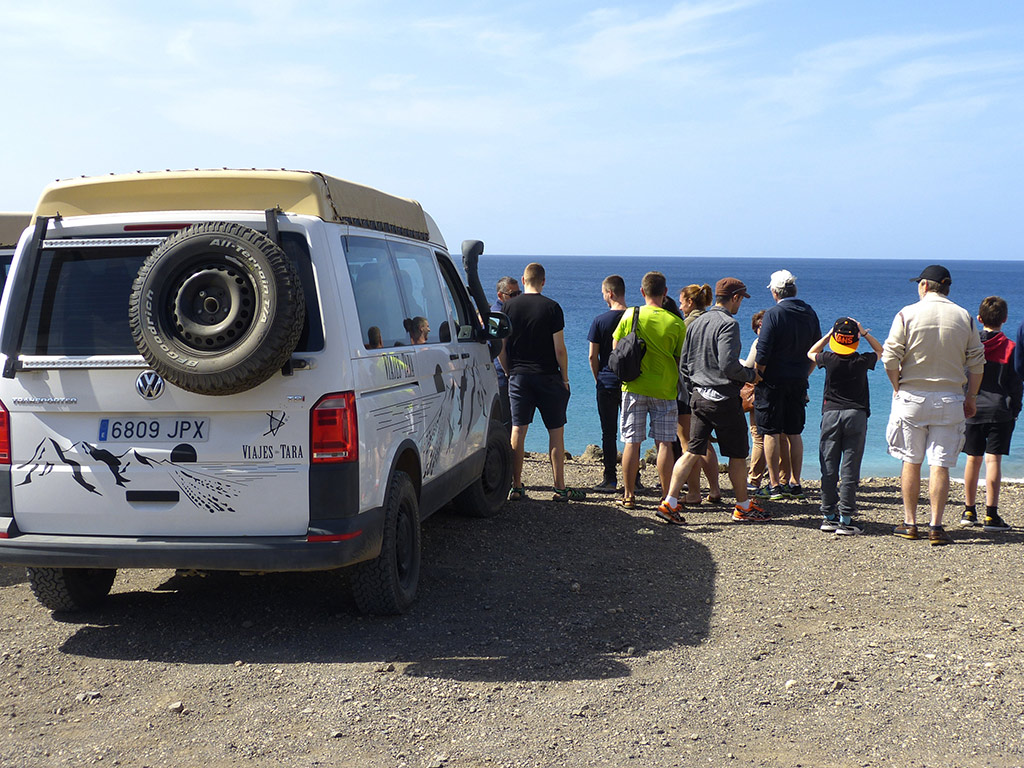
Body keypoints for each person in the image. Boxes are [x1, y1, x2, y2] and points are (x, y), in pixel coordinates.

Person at [882, 265, 985, 545]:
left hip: (912, 396)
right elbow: (977, 362)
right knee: (940, 464)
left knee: (911, 460)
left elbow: (890, 357)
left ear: (925, 285)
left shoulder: (907, 314)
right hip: (950, 397)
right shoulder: (964, 317)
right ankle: (936, 526)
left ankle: (910, 523)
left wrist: (896, 385)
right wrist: (971, 397)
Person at [659, 278, 765, 525]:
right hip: (724, 398)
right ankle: (742, 506)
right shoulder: (728, 324)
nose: (740, 304)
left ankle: (669, 502)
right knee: (738, 454)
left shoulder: (696, 322)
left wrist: (693, 390)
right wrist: (751, 376)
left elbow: (684, 364)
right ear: (735, 297)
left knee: (692, 450)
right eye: (741, 299)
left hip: (698, 397)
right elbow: (728, 365)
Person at [498, 263, 585, 503]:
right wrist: (565, 378)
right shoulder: (552, 307)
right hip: (548, 376)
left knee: (518, 430)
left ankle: (516, 486)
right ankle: (559, 488)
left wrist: (509, 372)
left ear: (523, 279)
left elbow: (501, 348)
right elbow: (560, 349)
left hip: (519, 376)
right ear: (544, 281)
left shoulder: (508, 307)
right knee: (555, 432)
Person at [612, 271, 686, 508]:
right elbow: (679, 359)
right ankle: (666, 497)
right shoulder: (676, 323)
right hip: (664, 388)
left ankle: (629, 495)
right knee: (664, 443)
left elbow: (616, 348)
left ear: (642, 291)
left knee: (631, 441)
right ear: (665, 293)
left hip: (633, 385)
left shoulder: (630, 314)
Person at [807, 317, 883, 535]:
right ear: (854, 341)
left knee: (828, 466)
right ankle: (846, 519)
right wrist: (864, 333)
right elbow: (881, 350)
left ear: (836, 340)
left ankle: (828, 515)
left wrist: (828, 335)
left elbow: (811, 352)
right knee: (850, 467)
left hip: (831, 415)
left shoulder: (829, 359)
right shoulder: (862, 360)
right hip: (856, 415)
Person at [754, 269, 820, 501]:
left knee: (770, 431)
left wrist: (757, 375)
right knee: (794, 432)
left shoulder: (773, 314)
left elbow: (763, 351)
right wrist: (805, 373)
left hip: (772, 381)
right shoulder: (809, 312)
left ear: (775, 292)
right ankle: (795, 483)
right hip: (798, 379)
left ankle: (774, 485)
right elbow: (816, 349)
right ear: (794, 289)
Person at [960, 296, 1022, 531]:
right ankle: (991, 515)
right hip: (999, 410)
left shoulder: (971, 346)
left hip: (971, 409)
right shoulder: (1011, 348)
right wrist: (1015, 410)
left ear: (979, 319)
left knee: (972, 459)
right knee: (993, 459)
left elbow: (962, 376)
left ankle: (969, 510)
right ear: (1004, 319)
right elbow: (1016, 385)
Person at [678, 284, 722, 504]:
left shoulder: (687, 324)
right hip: (710, 389)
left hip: (688, 391)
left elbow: (681, 359)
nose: (680, 306)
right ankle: (714, 489)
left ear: (690, 302)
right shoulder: (713, 321)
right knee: (705, 441)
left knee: (688, 442)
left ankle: (694, 492)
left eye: (682, 302)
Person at [743, 310, 792, 495]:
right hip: (786, 390)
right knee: (782, 437)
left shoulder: (760, 343)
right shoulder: (785, 341)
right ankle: (784, 479)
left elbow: (750, 365)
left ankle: (754, 479)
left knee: (759, 437)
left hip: (764, 392)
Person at [587, 275, 627, 493]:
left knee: (609, 432)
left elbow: (592, 356)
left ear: (610, 293)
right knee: (632, 434)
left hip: (607, 381)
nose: (603, 297)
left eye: (603, 293)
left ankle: (610, 479)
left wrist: (598, 378)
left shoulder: (600, 321)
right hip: (631, 383)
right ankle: (634, 479)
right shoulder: (635, 317)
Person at [491, 276, 520, 431]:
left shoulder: (510, 312)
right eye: (512, 294)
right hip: (502, 375)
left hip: (510, 372)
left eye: (519, 293)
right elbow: (498, 348)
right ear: (500, 295)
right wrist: (508, 372)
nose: (517, 297)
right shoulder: (497, 315)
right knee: (506, 419)